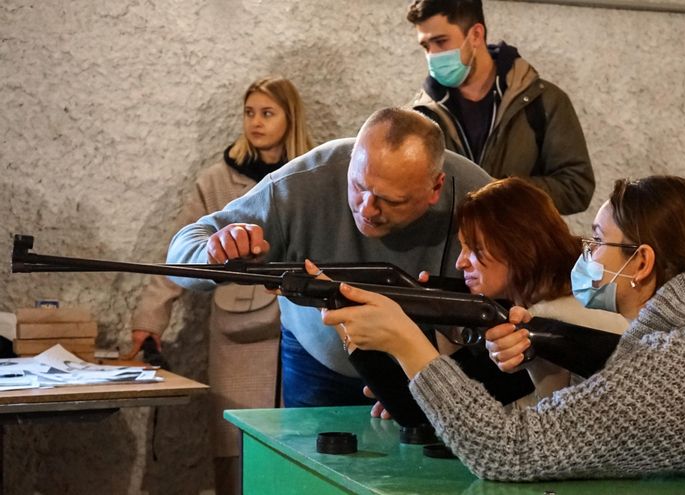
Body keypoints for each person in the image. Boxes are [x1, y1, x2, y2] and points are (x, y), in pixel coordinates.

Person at [322, 175, 685, 494]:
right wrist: (537, 360)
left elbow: (506, 450)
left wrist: (405, 344)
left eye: (595, 243)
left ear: (640, 262)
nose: (583, 256)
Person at [165, 107, 526, 411]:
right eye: (358, 186)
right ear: (352, 160)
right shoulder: (303, 182)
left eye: (392, 200)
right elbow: (181, 253)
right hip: (318, 363)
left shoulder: (475, 193)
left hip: (434, 364)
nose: (367, 209)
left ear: (436, 187)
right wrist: (215, 251)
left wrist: (438, 379)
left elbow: (533, 277)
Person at [128, 76, 313, 494]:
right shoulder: (217, 180)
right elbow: (180, 251)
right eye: (250, 113)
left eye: (268, 113)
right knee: (235, 444)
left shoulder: (309, 175)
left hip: (300, 327)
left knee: (301, 446)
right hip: (238, 334)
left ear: (290, 117)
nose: (256, 123)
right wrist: (150, 319)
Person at [406, 0, 595, 215]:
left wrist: (504, 191)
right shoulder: (420, 114)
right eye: (425, 46)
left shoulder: (543, 101)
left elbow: (577, 187)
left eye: (441, 41)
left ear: (476, 35)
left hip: (519, 246)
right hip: (451, 247)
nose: (432, 55)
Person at [450, 177, 627, 401]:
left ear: (517, 246)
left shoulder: (546, 317)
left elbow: (545, 424)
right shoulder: (586, 295)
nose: (460, 262)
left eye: (475, 248)